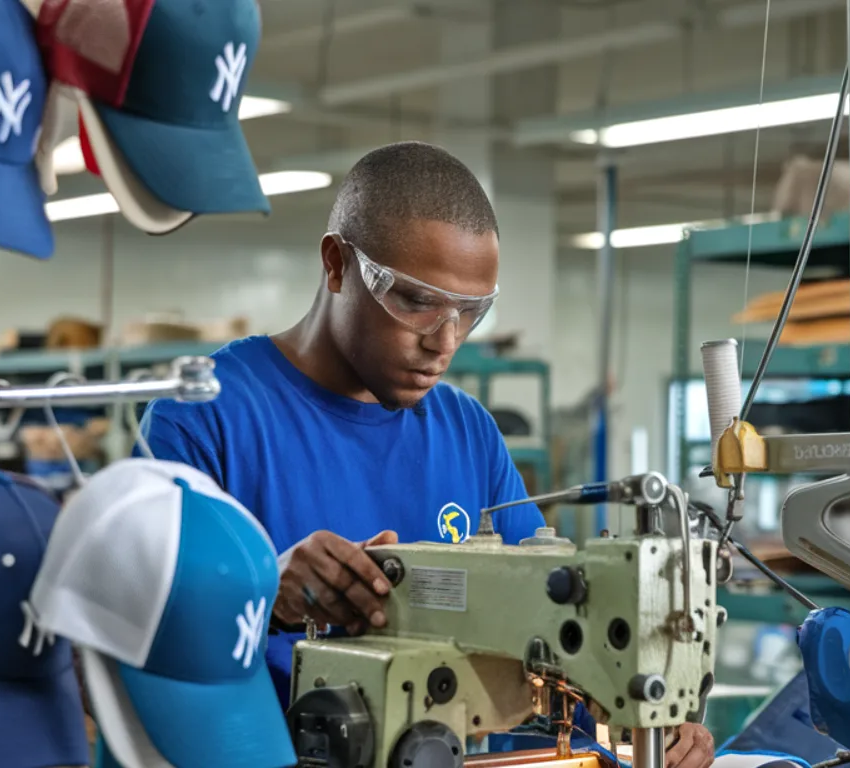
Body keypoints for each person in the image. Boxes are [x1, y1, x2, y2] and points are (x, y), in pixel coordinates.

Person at [138, 141, 714, 768]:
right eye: (415, 301)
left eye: (470, 312)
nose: (445, 343)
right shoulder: (201, 417)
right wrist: (265, 592)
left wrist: (646, 719)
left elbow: (555, 635)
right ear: (337, 265)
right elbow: (130, 643)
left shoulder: (468, 433)